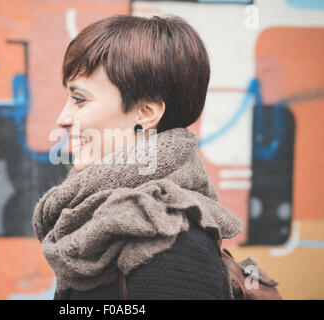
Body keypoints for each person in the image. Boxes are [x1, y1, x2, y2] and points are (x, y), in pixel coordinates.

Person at [32, 14, 244, 300]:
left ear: (144, 113)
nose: (63, 118)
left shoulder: (170, 241)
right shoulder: (92, 217)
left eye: (79, 99)